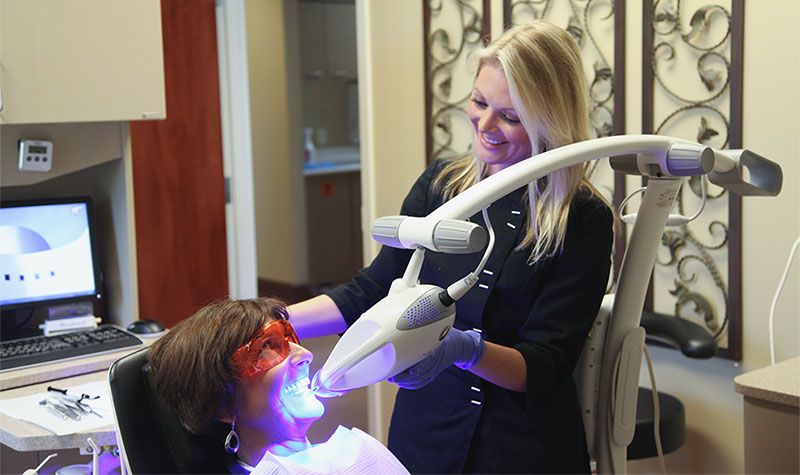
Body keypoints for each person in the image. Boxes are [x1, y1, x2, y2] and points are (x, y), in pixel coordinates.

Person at [288, 20, 614, 474]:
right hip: (426, 433)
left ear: (551, 119)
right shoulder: (441, 187)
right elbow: (372, 291)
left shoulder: (581, 220)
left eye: (512, 116)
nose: (486, 124)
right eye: (479, 102)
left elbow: (544, 367)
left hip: (520, 447)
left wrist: (463, 349)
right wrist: (274, 324)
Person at [147, 298, 408, 474]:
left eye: (289, 337)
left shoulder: (355, 452)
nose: (305, 355)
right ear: (222, 404)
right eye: (267, 348)